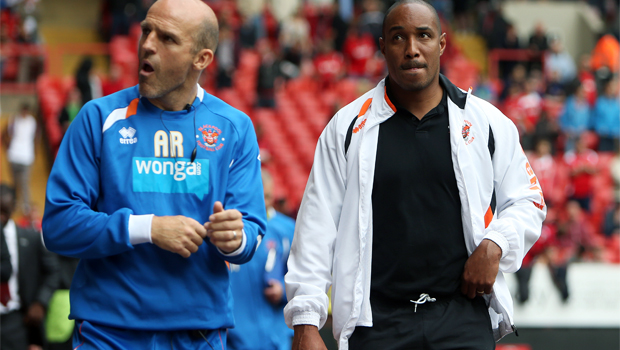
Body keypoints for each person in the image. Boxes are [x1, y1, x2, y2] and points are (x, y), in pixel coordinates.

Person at [283, 1, 546, 349]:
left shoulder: (486, 122)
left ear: (441, 43)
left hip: (462, 317)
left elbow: (528, 199)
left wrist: (496, 244)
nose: (411, 49)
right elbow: (317, 227)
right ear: (382, 47)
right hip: (377, 323)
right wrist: (305, 321)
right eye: (398, 38)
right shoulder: (347, 129)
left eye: (423, 35)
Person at [41, 0, 267, 349]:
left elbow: (251, 233)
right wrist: (148, 228)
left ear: (202, 59)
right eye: (147, 30)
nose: (147, 44)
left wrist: (234, 238)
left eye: (167, 38)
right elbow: (58, 226)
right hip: (109, 331)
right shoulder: (98, 118)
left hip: (200, 333)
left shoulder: (234, 127)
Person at [228, 169, 295, 350]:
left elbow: (302, 277)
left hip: (276, 338)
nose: (263, 202)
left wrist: (283, 289)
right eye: (259, 195)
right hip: (233, 338)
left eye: (267, 196)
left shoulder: (288, 229)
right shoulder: (229, 231)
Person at [1, 183, 60, 350]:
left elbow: (52, 272)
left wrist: (40, 302)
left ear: (14, 207)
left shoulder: (32, 238)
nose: (1, 218)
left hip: (18, 318)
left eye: (4, 212)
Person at [2, 103, 37, 214]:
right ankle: (15, 203)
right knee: (15, 183)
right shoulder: (14, 120)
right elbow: (4, 135)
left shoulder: (32, 122)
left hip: (26, 157)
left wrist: (33, 152)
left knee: (24, 182)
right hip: (14, 155)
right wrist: (8, 148)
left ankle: (26, 206)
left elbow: (36, 138)